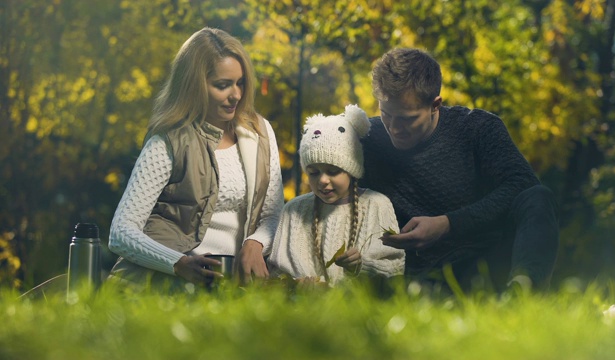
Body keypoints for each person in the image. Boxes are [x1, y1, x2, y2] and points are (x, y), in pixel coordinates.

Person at [361, 48, 559, 293]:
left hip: (488, 260)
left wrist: (447, 224)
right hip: (418, 276)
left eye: (407, 119)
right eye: (386, 115)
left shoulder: (478, 129)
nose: (394, 128)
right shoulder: (366, 136)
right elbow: (319, 149)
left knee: (537, 197)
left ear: (435, 105)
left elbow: (522, 184)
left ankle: (523, 293)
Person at [107, 27, 284, 291]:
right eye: (222, 85)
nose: (235, 94)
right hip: (164, 283)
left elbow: (273, 215)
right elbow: (121, 233)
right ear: (194, 85)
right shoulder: (168, 141)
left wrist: (256, 242)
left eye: (240, 82)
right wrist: (177, 263)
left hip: (232, 286)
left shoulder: (260, 133)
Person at [268, 105, 405, 287]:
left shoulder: (377, 205)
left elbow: (393, 267)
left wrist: (362, 265)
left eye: (333, 171)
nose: (323, 180)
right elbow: (277, 272)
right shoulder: (294, 210)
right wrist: (296, 284)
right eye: (314, 173)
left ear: (351, 170)